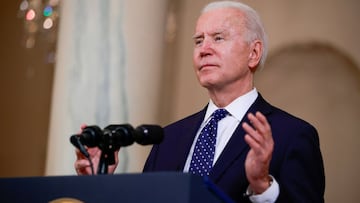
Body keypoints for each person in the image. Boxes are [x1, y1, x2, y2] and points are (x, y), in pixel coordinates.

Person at [74, 1, 325, 202]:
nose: (204, 49)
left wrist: (262, 187)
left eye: (218, 38)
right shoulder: (168, 138)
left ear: (253, 53)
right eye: (198, 41)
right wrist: (101, 181)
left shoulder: (291, 134)